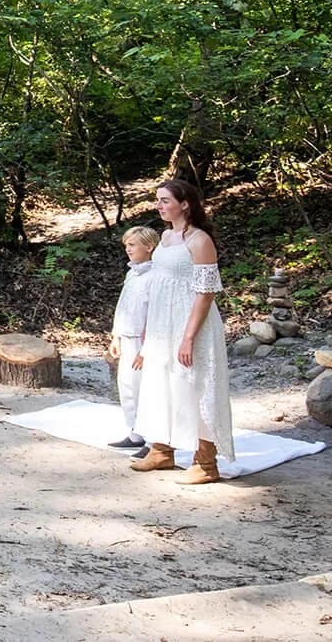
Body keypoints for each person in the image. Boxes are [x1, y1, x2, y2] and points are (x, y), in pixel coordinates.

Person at [130, 178, 234, 484]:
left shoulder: (199, 240)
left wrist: (189, 337)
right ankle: (162, 449)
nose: (159, 205)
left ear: (184, 203)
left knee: (195, 384)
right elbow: (160, 283)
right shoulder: (165, 236)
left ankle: (205, 463)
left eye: (165, 200)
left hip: (191, 322)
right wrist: (150, 330)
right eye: (158, 200)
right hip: (164, 320)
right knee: (161, 382)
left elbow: (205, 293)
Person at [106, 226, 159, 451]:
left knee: (146, 388)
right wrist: (116, 336)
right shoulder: (132, 273)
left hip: (143, 339)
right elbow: (124, 306)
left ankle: (155, 437)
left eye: (133, 245)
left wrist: (146, 349)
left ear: (149, 247)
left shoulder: (156, 276)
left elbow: (154, 313)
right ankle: (135, 432)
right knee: (127, 386)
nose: (128, 249)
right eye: (126, 245)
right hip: (127, 336)